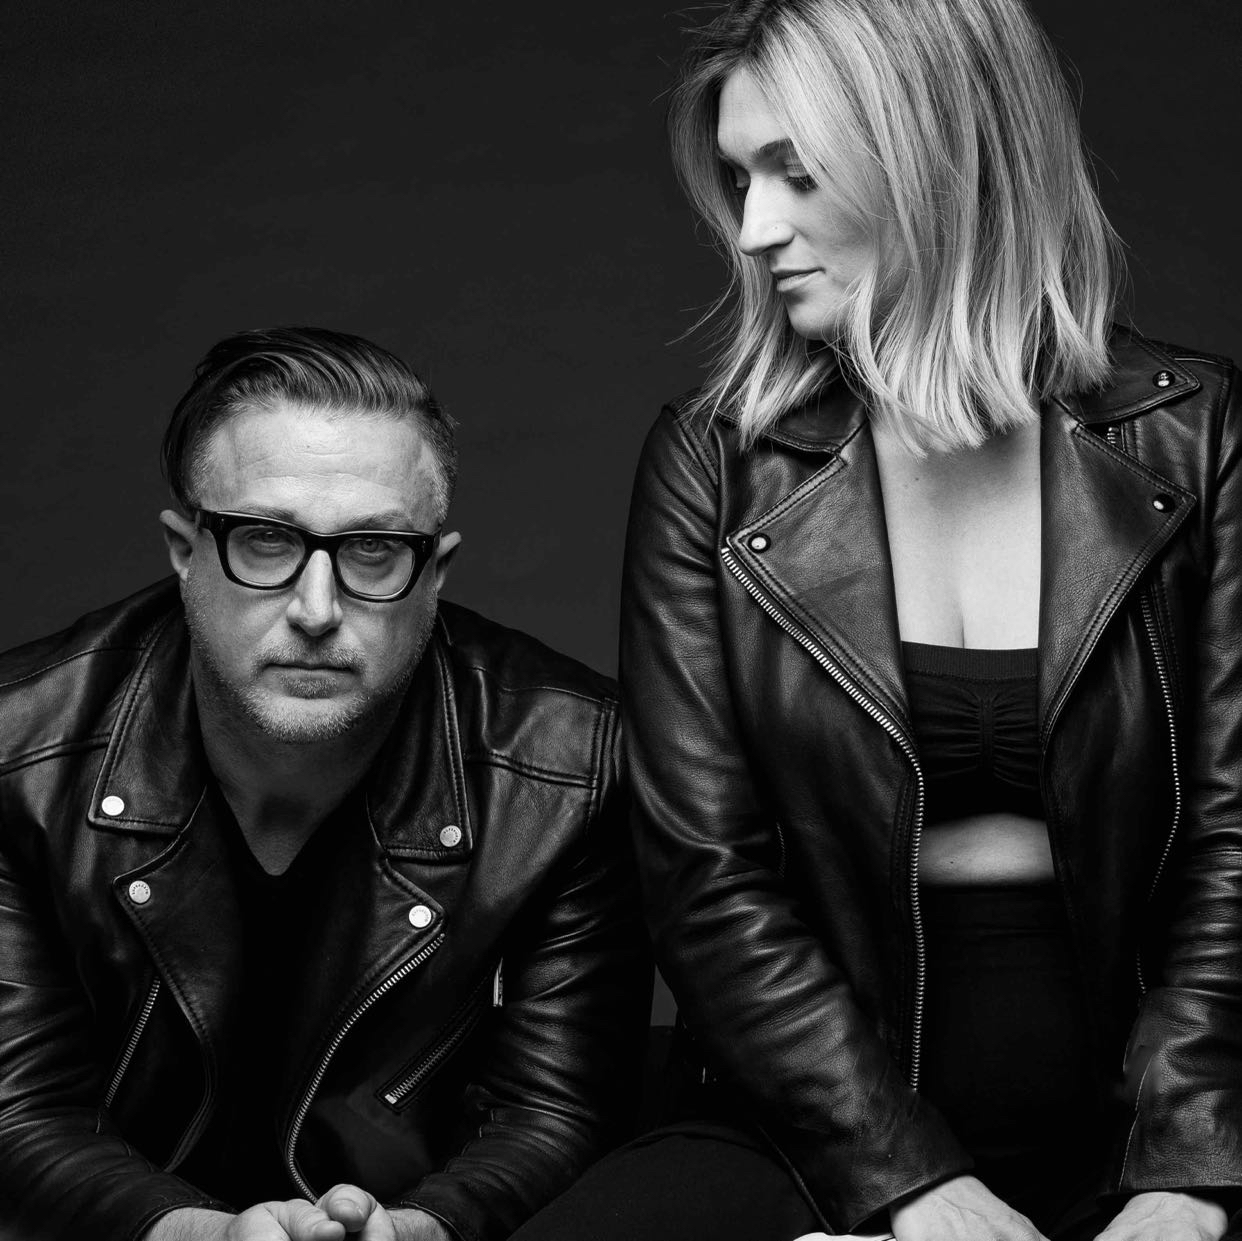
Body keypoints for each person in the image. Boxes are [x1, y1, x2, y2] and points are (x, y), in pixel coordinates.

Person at [510, 2, 1242, 1241]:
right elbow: (703, 873)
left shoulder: (1197, 435)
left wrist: (1188, 1166)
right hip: (811, 1121)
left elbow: (1236, 833)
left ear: (939, 156)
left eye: (794, 172)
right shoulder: (718, 466)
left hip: (1160, 1114)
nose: (754, 228)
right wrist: (904, 1178)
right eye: (740, 178)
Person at [0, 326, 651, 1241]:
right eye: (265, 541)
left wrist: (423, 1228)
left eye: (373, 549)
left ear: (436, 572)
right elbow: (18, 1109)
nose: (316, 609)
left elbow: (557, 1112)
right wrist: (198, 1234)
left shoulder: (574, 767)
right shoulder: (19, 750)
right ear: (184, 551)